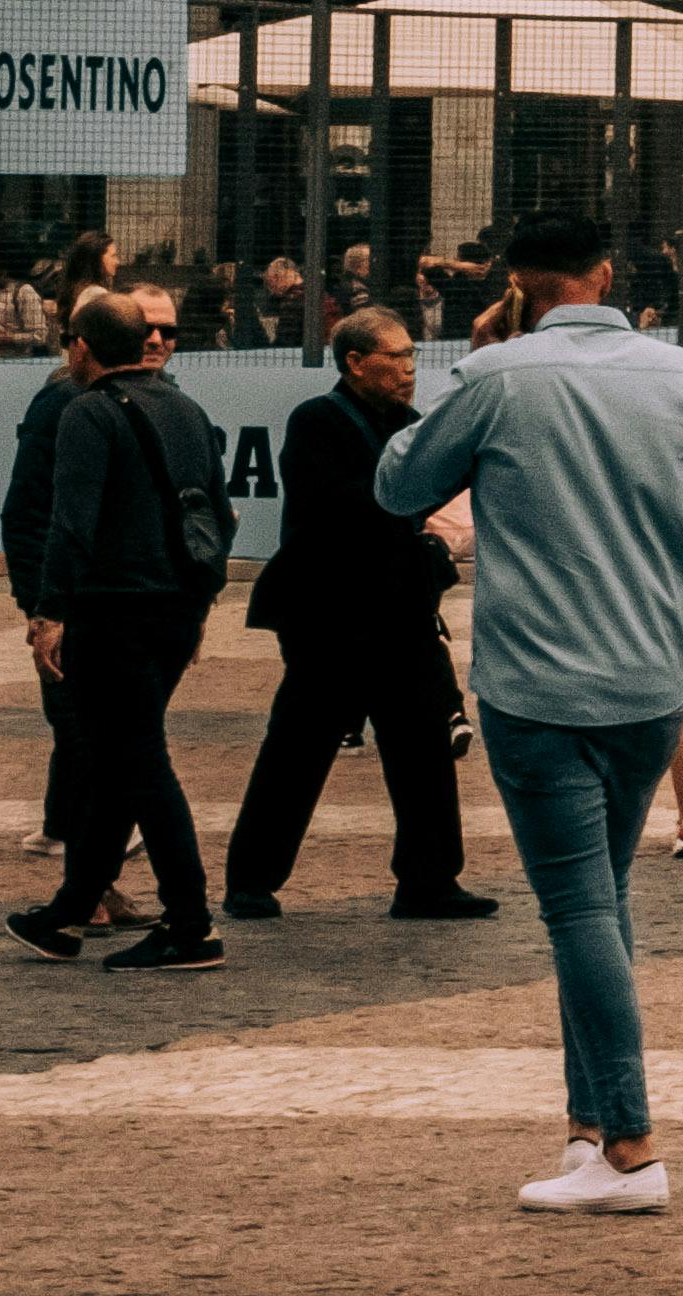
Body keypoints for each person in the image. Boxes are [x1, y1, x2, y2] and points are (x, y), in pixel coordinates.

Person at [373, 206, 683, 1218]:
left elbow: (399, 481)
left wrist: (476, 369)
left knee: (579, 908)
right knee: (605, 898)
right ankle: (589, 1129)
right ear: (604, 274)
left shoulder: (498, 377)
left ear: (518, 283)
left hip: (536, 686)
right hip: (647, 684)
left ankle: (630, 1144)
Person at [221, 305, 480, 924]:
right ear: (356, 363)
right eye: (396, 359)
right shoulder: (318, 420)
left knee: (422, 748)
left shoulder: (409, 423)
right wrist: (418, 521)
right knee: (298, 749)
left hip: (399, 614)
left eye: (414, 357)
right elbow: (352, 507)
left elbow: (434, 487)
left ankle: (429, 880)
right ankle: (251, 881)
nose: (410, 370)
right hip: (329, 617)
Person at [2, 279, 233, 968]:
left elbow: (71, 523)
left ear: (80, 347)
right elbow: (217, 516)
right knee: (114, 761)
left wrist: (49, 612)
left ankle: (191, 922)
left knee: (138, 761)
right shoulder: (186, 408)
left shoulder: (87, 412)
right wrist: (199, 609)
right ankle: (69, 911)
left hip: (112, 609)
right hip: (172, 608)